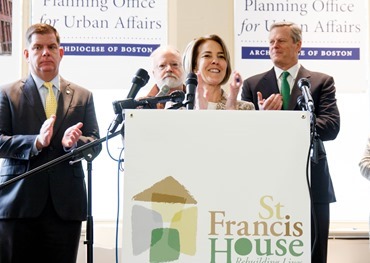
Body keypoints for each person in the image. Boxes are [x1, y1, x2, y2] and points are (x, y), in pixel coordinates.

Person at [0, 23, 101, 263]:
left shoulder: (82, 95)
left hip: (65, 208)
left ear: (61, 52)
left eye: (51, 47)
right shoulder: (7, 93)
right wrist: (35, 142)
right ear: (26, 54)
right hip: (19, 204)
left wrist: (72, 145)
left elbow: (95, 142)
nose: (45, 52)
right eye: (37, 47)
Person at [241, 21, 340, 263]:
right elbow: (243, 134)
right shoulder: (252, 85)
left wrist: (285, 120)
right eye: (271, 41)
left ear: (298, 45)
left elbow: (331, 126)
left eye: (281, 40)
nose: (274, 45)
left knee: (314, 254)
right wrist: (264, 119)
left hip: (312, 181)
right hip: (266, 184)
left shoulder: (320, 82)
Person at [183, 34, 254, 110]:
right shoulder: (179, 108)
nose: (215, 61)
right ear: (194, 65)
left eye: (221, 56)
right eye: (207, 55)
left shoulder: (245, 108)